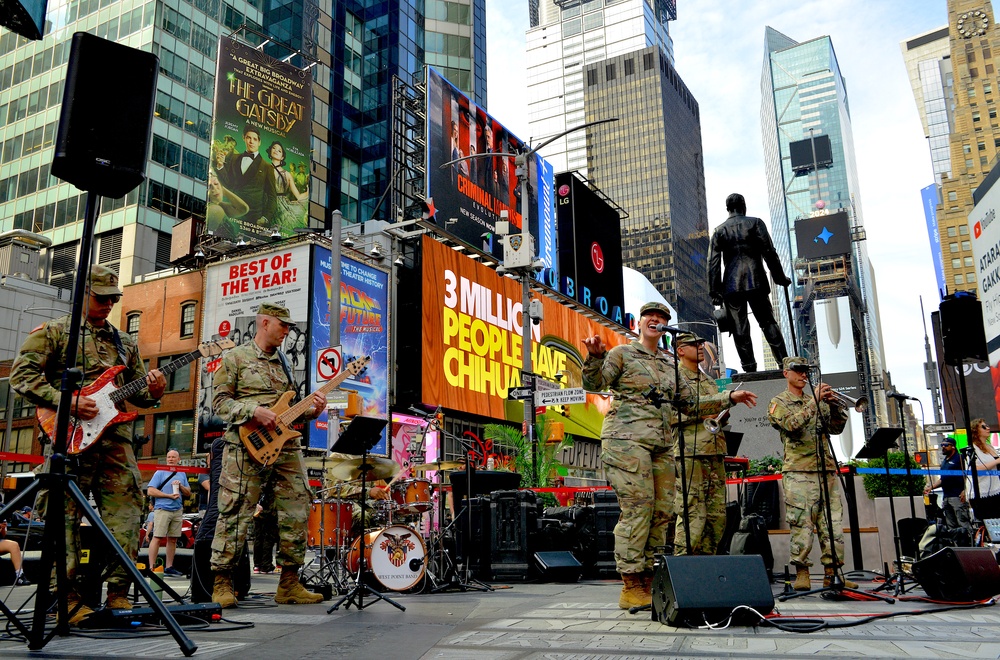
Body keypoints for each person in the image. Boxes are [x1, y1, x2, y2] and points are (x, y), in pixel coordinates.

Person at [9, 265, 166, 624]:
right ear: (83, 294)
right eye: (101, 298)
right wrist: (66, 400)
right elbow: (21, 376)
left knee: (127, 516)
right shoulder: (55, 332)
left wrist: (153, 393)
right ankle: (65, 600)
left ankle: (118, 595)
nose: (108, 304)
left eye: (114, 298)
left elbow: (138, 394)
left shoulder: (125, 341)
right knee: (62, 520)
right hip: (69, 439)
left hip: (115, 441)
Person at [582, 302, 754, 609]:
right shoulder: (622, 353)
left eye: (662, 318)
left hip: (662, 445)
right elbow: (594, 383)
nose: (656, 320)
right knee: (638, 508)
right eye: (651, 316)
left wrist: (729, 396)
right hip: (626, 441)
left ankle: (649, 578)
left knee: (663, 512)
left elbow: (691, 402)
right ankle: (630, 582)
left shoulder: (668, 363)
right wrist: (594, 358)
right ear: (639, 322)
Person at [209, 302, 327, 608]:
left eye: (288, 327)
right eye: (282, 325)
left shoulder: (284, 365)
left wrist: (311, 412)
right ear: (265, 323)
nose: (287, 331)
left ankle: (289, 582)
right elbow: (219, 404)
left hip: (285, 448)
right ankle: (221, 582)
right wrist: (252, 411)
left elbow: (289, 414)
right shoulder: (235, 358)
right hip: (243, 447)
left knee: (297, 508)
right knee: (235, 512)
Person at [768, 356, 854, 591]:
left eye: (806, 371)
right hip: (798, 472)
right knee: (802, 525)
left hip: (826, 471)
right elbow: (791, 425)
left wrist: (835, 405)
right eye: (798, 371)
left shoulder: (814, 400)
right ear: (786, 373)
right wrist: (814, 402)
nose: (803, 375)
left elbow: (836, 428)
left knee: (832, 525)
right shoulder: (779, 402)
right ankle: (802, 571)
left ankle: (833, 572)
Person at [671, 332, 756, 556]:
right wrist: (727, 398)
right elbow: (688, 407)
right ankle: (684, 568)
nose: (701, 347)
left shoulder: (706, 380)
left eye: (701, 343)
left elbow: (711, 410)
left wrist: (723, 412)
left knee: (716, 516)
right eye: (694, 344)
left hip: (713, 451)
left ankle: (707, 567)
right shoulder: (674, 378)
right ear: (680, 350)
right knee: (692, 513)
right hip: (691, 453)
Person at [708, 193, 791, 372]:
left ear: (727, 209)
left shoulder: (719, 231)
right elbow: (769, 252)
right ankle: (784, 364)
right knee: (768, 322)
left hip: (731, 286)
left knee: (740, 329)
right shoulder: (755, 223)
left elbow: (713, 263)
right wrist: (779, 278)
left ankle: (749, 368)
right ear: (743, 206)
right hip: (756, 281)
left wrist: (714, 291)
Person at [146, 449, 191, 577]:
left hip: (177, 510)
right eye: (169, 457)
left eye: (173, 457)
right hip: (162, 509)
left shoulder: (182, 473)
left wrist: (181, 486)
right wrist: (169, 496)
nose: (170, 459)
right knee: (157, 537)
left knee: (173, 539)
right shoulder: (160, 471)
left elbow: (188, 492)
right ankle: (151, 567)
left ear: (178, 459)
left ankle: (169, 566)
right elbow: (150, 491)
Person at [223, 125, 277, 228]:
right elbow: (227, 183)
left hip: (253, 219)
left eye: (255, 139)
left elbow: (272, 197)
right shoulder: (233, 158)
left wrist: (265, 218)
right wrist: (220, 166)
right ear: (244, 138)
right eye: (248, 138)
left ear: (259, 142)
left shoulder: (267, 167)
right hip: (231, 214)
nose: (251, 141)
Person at [923, 436, 972, 532]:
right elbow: (943, 479)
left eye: (946, 445)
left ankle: (969, 544)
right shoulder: (945, 461)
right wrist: (931, 488)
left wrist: (965, 490)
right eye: (942, 445)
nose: (943, 447)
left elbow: (968, 476)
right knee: (950, 525)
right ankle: (956, 545)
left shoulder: (960, 458)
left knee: (963, 522)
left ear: (953, 446)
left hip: (958, 496)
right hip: (946, 497)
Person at [265, 141, 307, 229]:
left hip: (282, 207)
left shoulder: (287, 174)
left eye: (279, 151)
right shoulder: (264, 167)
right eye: (274, 148)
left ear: (282, 157)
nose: (276, 150)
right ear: (270, 151)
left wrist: (310, 192)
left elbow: (298, 196)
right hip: (266, 202)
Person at [966, 417, 1000, 520]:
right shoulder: (972, 448)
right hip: (981, 492)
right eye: (983, 427)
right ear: (976, 431)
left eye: (987, 426)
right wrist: (997, 461)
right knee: (988, 522)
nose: (988, 428)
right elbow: (975, 469)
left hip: (995, 489)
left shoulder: (990, 447)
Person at [205, 171, 249, 241]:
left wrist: (222, 190)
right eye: (210, 187)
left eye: (216, 184)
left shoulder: (219, 205)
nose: (215, 189)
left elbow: (243, 209)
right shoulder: (215, 209)